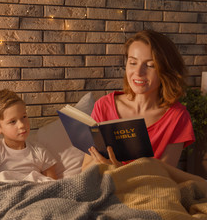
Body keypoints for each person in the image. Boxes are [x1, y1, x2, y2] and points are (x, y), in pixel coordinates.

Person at [82, 30, 195, 170]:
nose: (138, 72)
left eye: (150, 65)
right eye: (133, 62)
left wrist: (118, 170)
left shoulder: (177, 117)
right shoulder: (103, 106)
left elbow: (164, 176)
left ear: (166, 70)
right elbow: (85, 168)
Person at [0, 89, 57, 179]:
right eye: (13, 121)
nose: (21, 125)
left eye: (24, 117)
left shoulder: (39, 151)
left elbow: (53, 185)